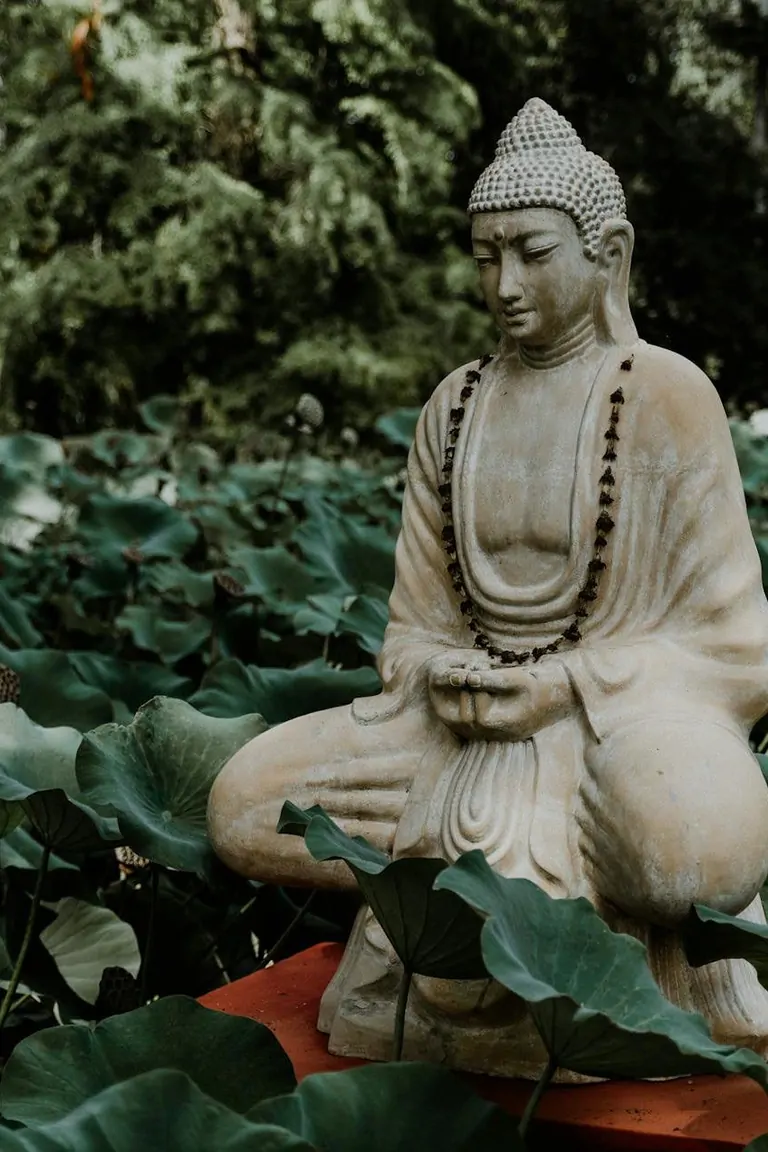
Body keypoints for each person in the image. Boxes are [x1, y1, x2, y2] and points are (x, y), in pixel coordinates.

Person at [208, 99, 768, 1063]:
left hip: (616, 734)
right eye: (484, 256)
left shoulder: (667, 397)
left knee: (685, 851)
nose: (504, 284)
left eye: (533, 251)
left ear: (610, 256)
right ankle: (479, 895)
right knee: (242, 806)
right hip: (450, 735)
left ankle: (590, 926)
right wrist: (443, 676)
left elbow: (737, 650)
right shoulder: (453, 407)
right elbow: (411, 630)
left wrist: (563, 687)